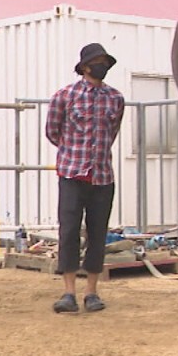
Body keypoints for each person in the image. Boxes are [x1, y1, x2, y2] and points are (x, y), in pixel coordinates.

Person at [45, 42, 125, 314]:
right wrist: (72, 152)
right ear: (85, 66)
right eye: (98, 62)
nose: (102, 66)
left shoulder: (115, 98)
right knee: (68, 231)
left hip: (102, 176)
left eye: (105, 62)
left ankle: (92, 292)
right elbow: (53, 131)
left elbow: (112, 132)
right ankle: (69, 292)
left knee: (97, 234)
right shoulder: (64, 96)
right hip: (71, 173)